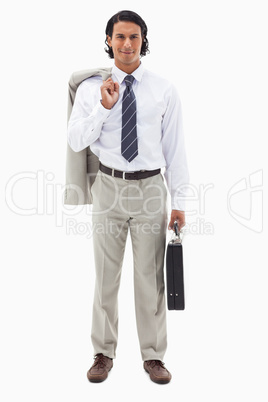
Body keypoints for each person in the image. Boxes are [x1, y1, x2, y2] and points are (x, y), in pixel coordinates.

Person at [67, 10, 189, 384]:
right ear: (108, 41)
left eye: (134, 37)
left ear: (143, 41)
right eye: (119, 37)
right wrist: (104, 108)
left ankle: (153, 356)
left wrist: (181, 202)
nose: (127, 44)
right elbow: (75, 141)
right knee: (106, 277)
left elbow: (175, 149)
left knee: (151, 278)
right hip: (108, 187)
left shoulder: (163, 89)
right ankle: (103, 352)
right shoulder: (92, 89)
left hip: (152, 189)